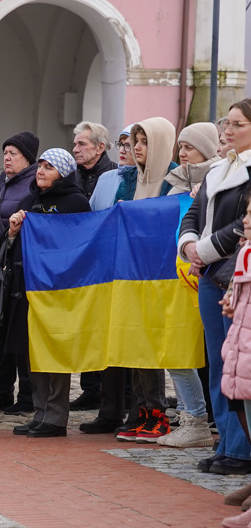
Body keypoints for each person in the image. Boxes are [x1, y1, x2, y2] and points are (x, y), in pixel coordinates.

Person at [180, 99, 251, 475]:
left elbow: (244, 223)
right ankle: (226, 441)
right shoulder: (218, 169)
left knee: (238, 362)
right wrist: (189, 244)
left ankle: (241, 449)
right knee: (218, 362)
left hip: (235, 274)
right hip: (209, 275)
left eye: (237, 124)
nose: (227, 130)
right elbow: (194, 214)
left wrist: (203, 251)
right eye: (227, 123)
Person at [7, 148, 91, 438]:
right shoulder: (31, 199)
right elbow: (14, 243)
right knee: (35, 351)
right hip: (30, 285)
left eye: (49, 167)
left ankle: (56, 417)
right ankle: (40, 412)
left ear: (63, 173)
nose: (41, 170)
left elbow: (81, 242)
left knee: (55, 351)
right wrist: (14, 231)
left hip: (59, 287)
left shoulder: (75, 201)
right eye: (40, 165)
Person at [108, 117, 177, 443]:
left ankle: (158, 413)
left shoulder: (174, 179)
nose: (136, 148)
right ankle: (140, 412)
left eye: (144, 141)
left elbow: (172, 220)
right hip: (129, 274)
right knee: (134, 341)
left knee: (152, 346)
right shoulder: (128, 180)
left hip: (160, 275)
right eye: (134, 141)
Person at [156, 123, 221, 448]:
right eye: (180, 147)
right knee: (176, 349)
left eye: (190, 148)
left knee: (202, 353)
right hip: (172, 278)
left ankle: (202, 418)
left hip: (203, 275)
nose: (182, 154)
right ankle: (189, 416)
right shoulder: (174, 182)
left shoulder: (220, 179)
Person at [0, 131, 40, 415]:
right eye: (5, 152)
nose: (7, 157)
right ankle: (1, 391)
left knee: (21, 336)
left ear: (28, 157)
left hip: (17, 266)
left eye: (14, 153)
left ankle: (27, 394)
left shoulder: (33, 185)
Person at [70, 122, 118, 410]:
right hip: (82, 262)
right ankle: (90, 387)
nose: (76, 149)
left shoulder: (114, 176)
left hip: (107, 260)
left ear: (100, 147)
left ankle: (109, 392)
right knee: (86, 324)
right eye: (75, 144)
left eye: (82, 144)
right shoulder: (71, 177)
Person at [220, 196, 251, 528]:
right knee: (240, 406)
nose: (245, 219)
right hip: (242, 346)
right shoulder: (246, 251)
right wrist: (232, 302)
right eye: (245, 213)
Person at [89, 125, 135, 211]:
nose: (121, 150)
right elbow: (91, 214)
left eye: (128, 146)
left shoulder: (146, 180)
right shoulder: (104, 177)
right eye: (121, 144)